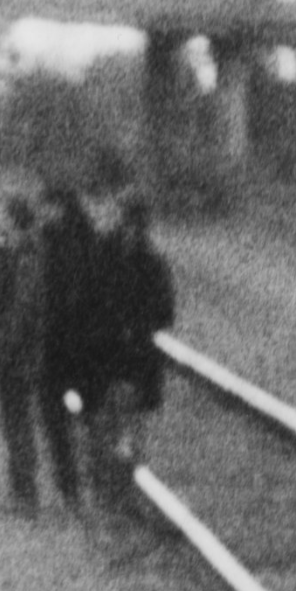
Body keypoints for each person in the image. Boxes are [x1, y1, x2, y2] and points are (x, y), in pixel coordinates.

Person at [90, 191, 175, 510]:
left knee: (118, 430)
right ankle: (115, 495)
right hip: (121, 358)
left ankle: (118, 496)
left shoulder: (113, 255)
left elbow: (164, 311)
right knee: (117, 430)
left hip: (123, 360)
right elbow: (165, 311)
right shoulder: (144, 259)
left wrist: (128, 324)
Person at [34, 183, 103, 511]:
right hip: (84, 348)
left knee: (56, 420)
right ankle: (87, 489)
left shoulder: (55, 242)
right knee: (84, 420)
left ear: (59, 207)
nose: (43, 213)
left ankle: (71, 489)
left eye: (47, 207)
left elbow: (55, 295)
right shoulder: (90, 239)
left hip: (60, 347)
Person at [0, 194, 42, 518]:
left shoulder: (26, 257)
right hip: (9, 351)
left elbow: (20, 310)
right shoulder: (10, 252)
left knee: (18, 422)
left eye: (1, 212)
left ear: (14, 219)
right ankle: (19, 491)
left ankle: (26, 495)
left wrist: (1, 349)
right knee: (12, 421)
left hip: (18, 354)